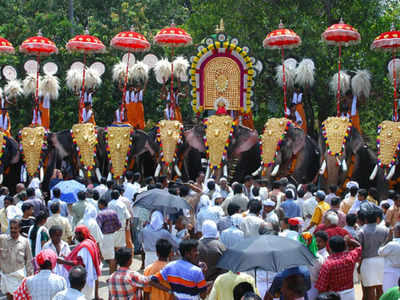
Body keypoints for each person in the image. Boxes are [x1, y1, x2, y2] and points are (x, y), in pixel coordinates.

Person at [59, 225, 101, 299]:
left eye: (78, 233)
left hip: (84, 278)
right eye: (75, 233)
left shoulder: (84, 246)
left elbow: (80, 264)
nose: (76, 236)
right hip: (89, 276)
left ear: (84, 234)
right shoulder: (90, 241)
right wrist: (66, 258)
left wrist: (63, 262)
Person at [315, 235, 362, 299]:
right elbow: (360, 247)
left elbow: (321, 287)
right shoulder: (350, 256)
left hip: (334, 296)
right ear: (344, 246)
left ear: (330, 248)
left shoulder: (328, 264)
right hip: (350, 293)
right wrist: (349, 241)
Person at [357, 209, 389, 300]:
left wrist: (359, 265)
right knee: (381, 287)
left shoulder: (361, 231)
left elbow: (359, 250)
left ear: (366, 219)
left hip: (367, 262)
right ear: (377, 219)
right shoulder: (385, 230)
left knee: (369, 289)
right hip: (382, 261)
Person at [0, 219, 33, 299]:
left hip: (19, 278)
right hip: (7, 278)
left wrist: (30, 277)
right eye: (11, 228)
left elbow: (29, 261)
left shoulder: (25, 242)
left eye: (15, 228)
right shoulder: (2, 240)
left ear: (19, 228)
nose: (13, 230)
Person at [96, 198, 121, 274]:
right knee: (112, 257)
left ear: (101, 204)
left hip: (104, 237)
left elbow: (98, 228)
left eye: (99, 205)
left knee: (104, 257)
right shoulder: (113, 213)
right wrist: (114, 230)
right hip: (113, 235)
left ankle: (107, 276)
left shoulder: (100, 214)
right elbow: (119, 225)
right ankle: (112, 274)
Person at [379, 222, 400, 292]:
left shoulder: (392, 244)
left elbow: (379, 252)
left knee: (388, 293)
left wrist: (388, 238)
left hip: (390, 273)